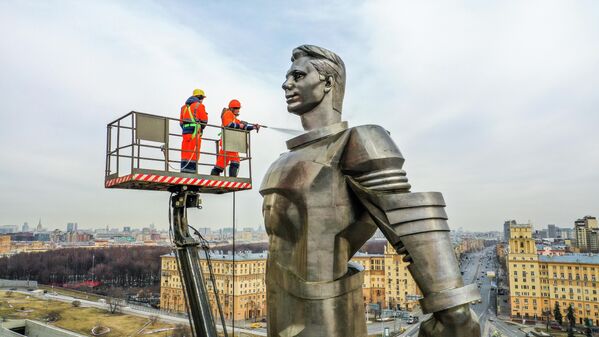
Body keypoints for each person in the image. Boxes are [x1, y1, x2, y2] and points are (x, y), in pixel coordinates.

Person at [260, 45, 481, 337]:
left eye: (298, 75)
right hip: (280, 314)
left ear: (328, 83)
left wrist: (455, 311)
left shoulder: (357, 141)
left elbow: (410, 222)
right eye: (287, 77)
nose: (287, 84)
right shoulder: (284, 160)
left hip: (327, 320)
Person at [210, 99, 259, 177]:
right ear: (232, 108)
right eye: (236, 108)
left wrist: (253, 127)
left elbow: (242, 126)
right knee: (235, 161)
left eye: (239, 108)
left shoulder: (232, 117)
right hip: (229, 143)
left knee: (220, 165)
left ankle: (212, 178)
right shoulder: (227, 114)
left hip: (227, 143)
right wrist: (240, 125)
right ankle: (232, 179)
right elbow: (228, 124)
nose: (238, 110)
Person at [180, 89, 208, 173]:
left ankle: (184, 170)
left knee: (185, 152)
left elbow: (181, 122)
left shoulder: (183, 107)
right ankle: (192, 171)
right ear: (200, 97)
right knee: (194, 152)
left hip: (185, 132)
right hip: (195, 132)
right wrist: (200, 128)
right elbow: (204, 121)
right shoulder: (199, 106)